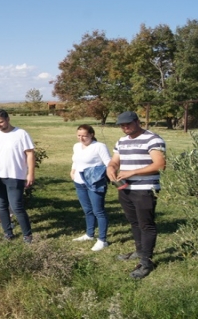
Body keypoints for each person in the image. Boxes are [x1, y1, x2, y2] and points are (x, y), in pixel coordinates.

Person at [106, 111, 166, 280]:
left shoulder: (153, 139)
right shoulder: (121, 141)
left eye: (128, 124)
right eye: (122, 125)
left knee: (146, 224)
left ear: (137, 122)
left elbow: (160, 164)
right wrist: (110, 167)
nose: (125, 127)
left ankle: (146, 262)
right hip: (125, 187)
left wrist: (133, 172)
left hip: (145, 188)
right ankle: (140, 251)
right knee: (134, 222)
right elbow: (115, 160)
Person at [0, 109, 36, 244]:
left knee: (16, 206)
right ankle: (8, 233)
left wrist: (30, 173)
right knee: (1, 206)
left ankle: (27, 235)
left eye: (1, 122)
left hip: (15, 175)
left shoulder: (21, 134)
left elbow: (30, 154)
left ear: (8, 119)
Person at [70, 124, 111, 251]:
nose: (81, 138)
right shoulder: (76, 146)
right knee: (87, 210)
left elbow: (109, 163)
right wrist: (73, 170)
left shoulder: (99, 146)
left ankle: (102, 240)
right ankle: (89, 234)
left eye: (84, 136)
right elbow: (76, 160)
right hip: (79, 182)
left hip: (94, 183)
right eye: (79, 135)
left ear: (92, 135)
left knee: (98, 211)